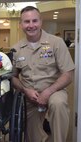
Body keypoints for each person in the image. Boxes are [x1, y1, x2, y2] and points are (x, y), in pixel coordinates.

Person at [11, 6, 75, 142]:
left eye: (35, 21)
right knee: (32, 137)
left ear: (41, 22)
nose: (31, 25)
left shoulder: (56, 43)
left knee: (58, 104)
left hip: (54, 90)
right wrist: (25, 90)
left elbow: (68, 74)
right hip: (30, 96)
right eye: (27, 22)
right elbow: (13, 77)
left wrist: (48, 92)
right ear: (21, 25)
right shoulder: (16, 49)